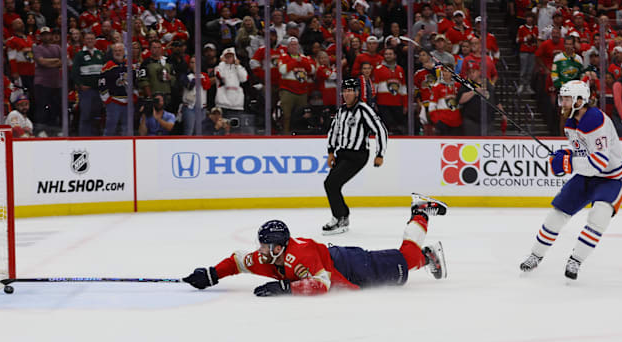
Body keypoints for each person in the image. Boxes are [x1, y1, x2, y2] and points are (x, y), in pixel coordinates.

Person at [182, 194, 448, 296]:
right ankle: (428, 257)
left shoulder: (299, 257)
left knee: (407, 258)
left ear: (280, 247)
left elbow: (321, 283)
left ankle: (420, 210)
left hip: (348, 264)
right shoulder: (267, 257)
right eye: (261, 246)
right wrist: (212, 274)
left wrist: (285, 287)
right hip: (338, 263)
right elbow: (239, 260)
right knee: (407, 263)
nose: (261, 251)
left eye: (266, 246)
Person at [520, 81, 622, 280]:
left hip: (612, 178)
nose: (563, 102)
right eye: (563, 98)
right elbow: (582, 150)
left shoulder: (595, 120)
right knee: (556, 214)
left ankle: (576, 260)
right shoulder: (571, 122)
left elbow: (599, 162)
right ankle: (535, 255)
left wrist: (567, 163)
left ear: (581, 100)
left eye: (568, 98)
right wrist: (566, 153)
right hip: (587, 175)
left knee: (599, 217)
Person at [323, 78, 388, 235]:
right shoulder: (341, 111)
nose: (347, 94)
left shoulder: (363, 110)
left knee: (331, 184)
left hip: (357, 155)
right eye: (345, 91)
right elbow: (334, 132)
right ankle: (342, 216)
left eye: (350, 91)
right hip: (343, 153)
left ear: (357, 93)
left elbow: (380, 130)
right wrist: (331, 152)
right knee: (332, 185)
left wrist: (380, 154)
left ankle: (340, 218)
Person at [71, 32, 105, 136]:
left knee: (96, 115)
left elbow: (104, 71)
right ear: (84, 41)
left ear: (95, 41)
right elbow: (74, 72)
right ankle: (84, 138)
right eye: (88, 39)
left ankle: (95, 138)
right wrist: (80, 85)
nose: (90, 41)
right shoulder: (80, 55)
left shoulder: (99, 54)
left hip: (98, 91)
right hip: (86, 91)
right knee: (86, 115)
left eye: (92, 39)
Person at [33, 26, 63, 137]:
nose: (46, 36)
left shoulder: (57, 47)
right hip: (42, 82)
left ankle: (54, 129)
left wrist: (49, 62)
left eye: (47, 34)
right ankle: (40, 130)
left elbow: (63, 61)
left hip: (56, 83)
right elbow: (41, 62)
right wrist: (56, 61)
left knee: (56, 107)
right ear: (41, 36)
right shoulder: (37, 48)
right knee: (42, 107)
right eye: (43, 34)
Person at [99, 43, 131, 136]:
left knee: (127, 128)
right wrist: (107, 99)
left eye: (120, 50)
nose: (118, 52)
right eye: (115, 51)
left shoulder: (129, 65)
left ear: (124, 51)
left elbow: (135, 81)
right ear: (112, 52)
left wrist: (134, 95)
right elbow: (102, 84)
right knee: (110, 128)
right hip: (114, 102)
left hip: (128, 103)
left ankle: (126, 148)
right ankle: (106, 147)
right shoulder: (107, 66)